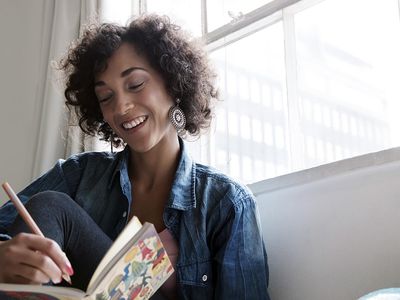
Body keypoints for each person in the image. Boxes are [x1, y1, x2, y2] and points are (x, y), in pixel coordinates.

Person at [0, 14, 270, 299]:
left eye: (136, 84)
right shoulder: (78, 174)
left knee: (54, 206)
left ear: (173, 83)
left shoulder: (226, 203)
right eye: (106, 97)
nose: (121, 107)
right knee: (48, 208)